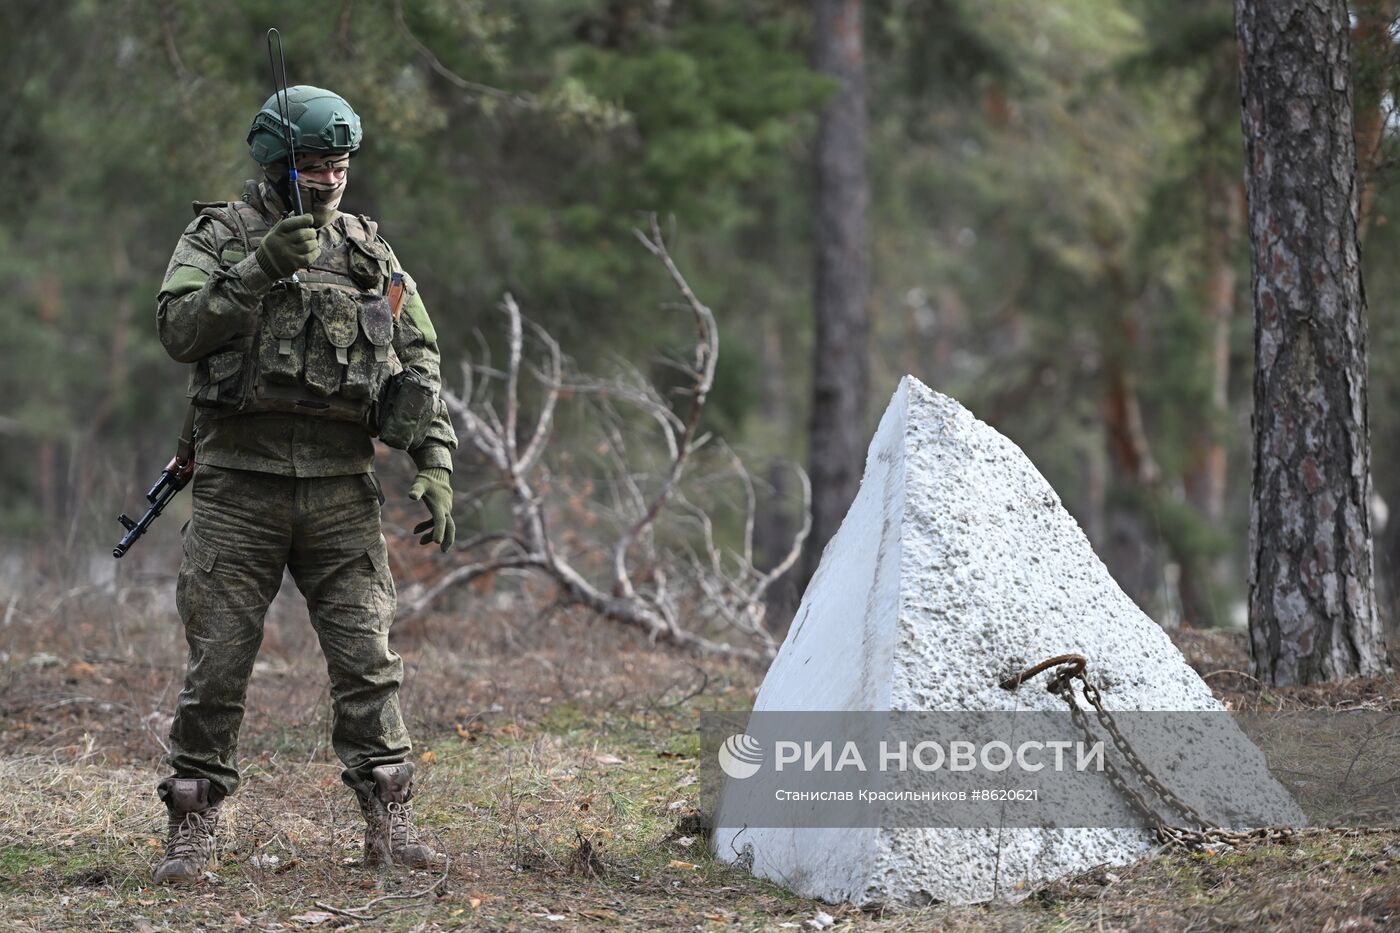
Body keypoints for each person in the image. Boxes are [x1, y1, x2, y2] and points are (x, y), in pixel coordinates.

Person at [150, 85, 458, 884]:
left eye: (340, 166)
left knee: (368, 659)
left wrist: (435, 465)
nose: (329, 182)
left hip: (339, 490)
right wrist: (255, 271)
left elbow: (417, 355)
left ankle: (389, 817)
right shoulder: (219, 234)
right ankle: (192, 824)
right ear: (276, 166)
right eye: (313, 168)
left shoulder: (366, 249)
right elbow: (179, 330)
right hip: (238, 489)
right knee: (218, 662)